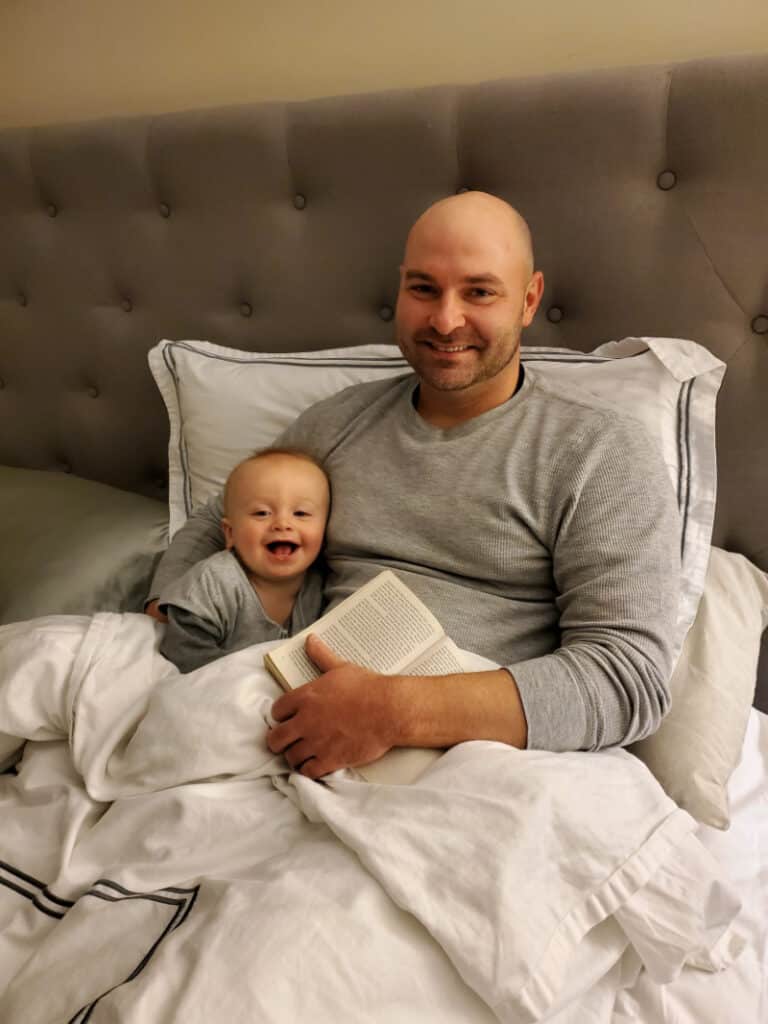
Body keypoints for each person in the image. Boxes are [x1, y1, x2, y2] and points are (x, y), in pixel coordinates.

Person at [147, 191, 681, 777]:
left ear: (529, 300)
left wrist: (394, 713)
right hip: (288, 719)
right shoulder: (336, 424)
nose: (445, 320)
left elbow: (628, 680)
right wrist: (166, 615)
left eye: (479, 291)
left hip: (470, 761)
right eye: (424, 289)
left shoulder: (599, 453)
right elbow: (217, 518)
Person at [157, 447, 330, 673]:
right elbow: (184, 654)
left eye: (301, 514)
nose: (282, 524)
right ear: (230, 533)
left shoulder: (320, 588)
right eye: (262, 513)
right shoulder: (212, 584)